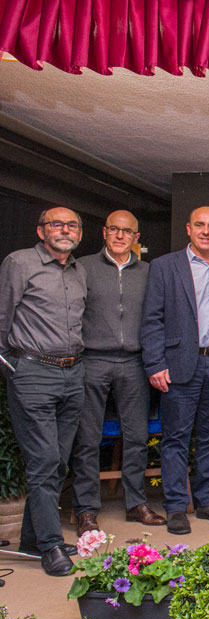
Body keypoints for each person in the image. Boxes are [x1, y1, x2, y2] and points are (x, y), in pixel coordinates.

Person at [141, 206, 209, 535]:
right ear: (188, 228)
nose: (206, 231)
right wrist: (155, 363)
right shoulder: (165, 266)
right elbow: (152, 318)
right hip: (180, 364)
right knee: (176, 438)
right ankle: (175, 506)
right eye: (200, 225)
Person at [0, 207, 86, 576]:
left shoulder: (79, 271)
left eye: (72, 225)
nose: (64, 230)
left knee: (59, 461)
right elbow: (2, 317)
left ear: (80, 234)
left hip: (72, 373)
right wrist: (12, 367)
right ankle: (51, 545)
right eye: (56, 224)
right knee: (43, 460)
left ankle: (33, 540)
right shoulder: (19, 263)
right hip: (32, 370)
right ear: (41, 230)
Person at [73, 210, 165, 535]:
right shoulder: (82, 267)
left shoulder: (150, 272)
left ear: (136, 237)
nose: (120, 235)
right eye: (115, 229)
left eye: (127, 231)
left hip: (135, 363)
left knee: (137, 438)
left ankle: (136, 504)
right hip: (92, 361)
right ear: (105, 232)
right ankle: (86, 511)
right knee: (87, 439)